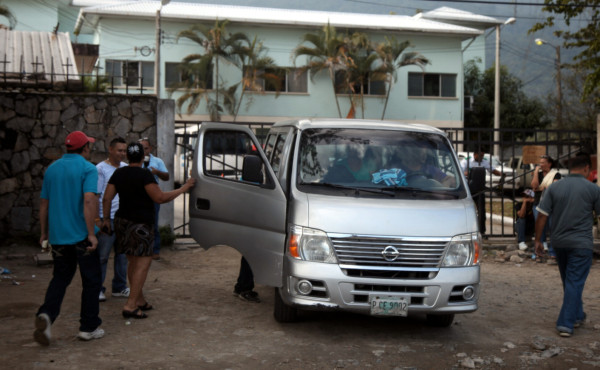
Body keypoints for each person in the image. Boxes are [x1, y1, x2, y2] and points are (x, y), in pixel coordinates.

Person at [102, 142, 195, 319]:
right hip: (141, 225)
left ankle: (139, 299)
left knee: (132, 262)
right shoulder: (145, 175)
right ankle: (130, 305)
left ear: (127, 156)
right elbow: (159, 198)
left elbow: (107, 198)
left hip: (122, 222)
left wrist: (106, 219)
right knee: (143, 265)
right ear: (143, 157)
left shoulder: (118, 173)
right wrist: (184, 188)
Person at [35, 131, 104, 345]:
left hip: (58, 237)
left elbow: (44, 204)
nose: (90, 149)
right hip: (81, 237)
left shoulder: (52, 169)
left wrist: (44, 232)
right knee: (92, 281)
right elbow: (89, 200)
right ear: (84, 148)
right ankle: (88, 327)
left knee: (60, 278)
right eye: (89, 145)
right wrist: (92, 234)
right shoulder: (88, 168)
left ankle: (47, 314)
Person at [534, 153, 600, 337]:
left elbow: (541, 216)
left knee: (570, 281)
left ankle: (577, 315)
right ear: (586, 168)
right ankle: (565, 324)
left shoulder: (554, 188)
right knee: (574, 281)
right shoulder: (593, 189)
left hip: (559, 243)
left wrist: (538, 240)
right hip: (581, 244)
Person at [96, 137, 129, 302]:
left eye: (124, 151)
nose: (122, 154)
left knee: (122, 256)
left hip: (122, 220)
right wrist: (99, 219)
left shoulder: (126, 168)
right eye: (119, 150)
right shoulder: (100, 169)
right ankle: (98, 289)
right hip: (106, 220)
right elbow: (97, 196)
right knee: (102, 256)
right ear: (110, 149)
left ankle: (120, 287)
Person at [138, 138, 169, 261]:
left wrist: (157, 172)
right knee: (139, 224)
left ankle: (155, 250)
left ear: (150, 148)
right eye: (141, 148)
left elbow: (167, 176)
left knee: (154, 223)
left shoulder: (157, 161)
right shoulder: (135, 161)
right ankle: (141, 249)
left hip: (153, 195)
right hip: (139, 196)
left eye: (146, 148)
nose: (144, 151)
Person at [460, 150, 505, 235]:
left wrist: (501, 174)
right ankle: (464, 231)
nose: (481, 158)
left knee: (481, 211)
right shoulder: (466, 161)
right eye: (480, 155)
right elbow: (460, 171)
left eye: (482, 155)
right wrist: (469, 173)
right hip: (467, 189)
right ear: (475, 154)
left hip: (479, 189)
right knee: (465, 209)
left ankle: (481, 231)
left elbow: (492, 170)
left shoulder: (484, 162)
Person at [531, 154, 562, 261]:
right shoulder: (538, 174)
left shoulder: (556, 174)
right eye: (540, 162)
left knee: (552, 227)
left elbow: (553, 188)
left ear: (549, 164)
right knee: (539, 228)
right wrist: (535, 172)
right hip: (538, 204)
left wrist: (542, 187)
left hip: (551, 205)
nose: (541, 164)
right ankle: (539, 251)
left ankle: (553, 252)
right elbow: (534, 186)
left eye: (543, 162)